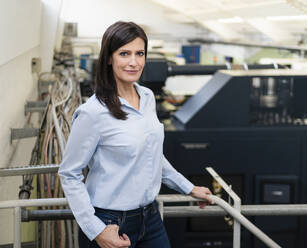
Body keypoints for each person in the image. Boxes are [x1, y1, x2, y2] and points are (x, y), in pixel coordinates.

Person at [58, 21, 213, 248]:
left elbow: (151, 154)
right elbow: (69, 174)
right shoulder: (93, 112)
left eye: (139, 53)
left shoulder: (147, 97)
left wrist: (188, 187)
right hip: (109, 222)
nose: (133, 62)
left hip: (149, 218)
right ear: (109, 58)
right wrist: (96, 230)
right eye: (124, 53)